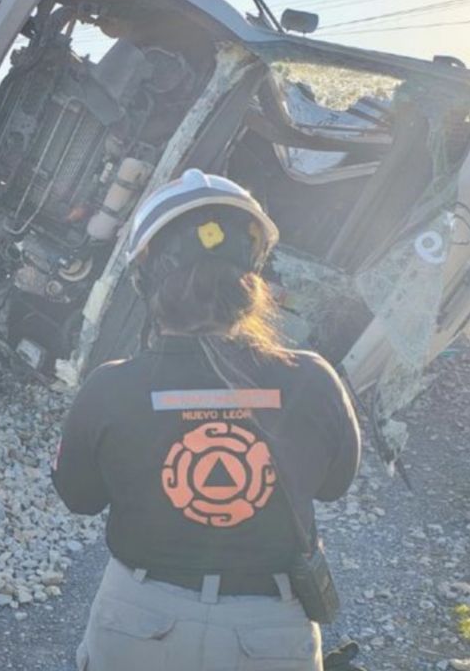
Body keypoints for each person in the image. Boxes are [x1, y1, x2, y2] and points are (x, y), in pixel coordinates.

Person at [52, 169, 361, 671]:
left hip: (138, 618)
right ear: (254, 277)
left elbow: (79, 497)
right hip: (271, 631)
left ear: (143, 278)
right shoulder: (311, 378)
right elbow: (334, 484)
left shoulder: (109, 386)